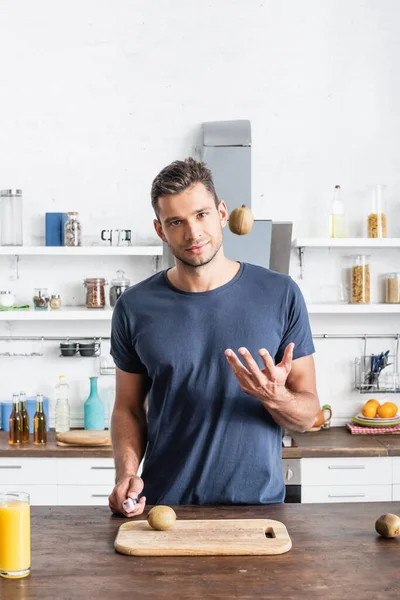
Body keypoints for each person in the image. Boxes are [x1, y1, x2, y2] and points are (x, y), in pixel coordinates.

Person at [108, 157, 319, 517]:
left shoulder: (280, 293)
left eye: (202, 214)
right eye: (176, 222)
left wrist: (276, 396)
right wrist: (127, 473)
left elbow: (307, 415)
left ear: (222, 213)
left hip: (258, 510)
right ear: (161, 230)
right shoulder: (134, 306)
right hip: (164, 510)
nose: (193, 233)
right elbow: (128, 408)